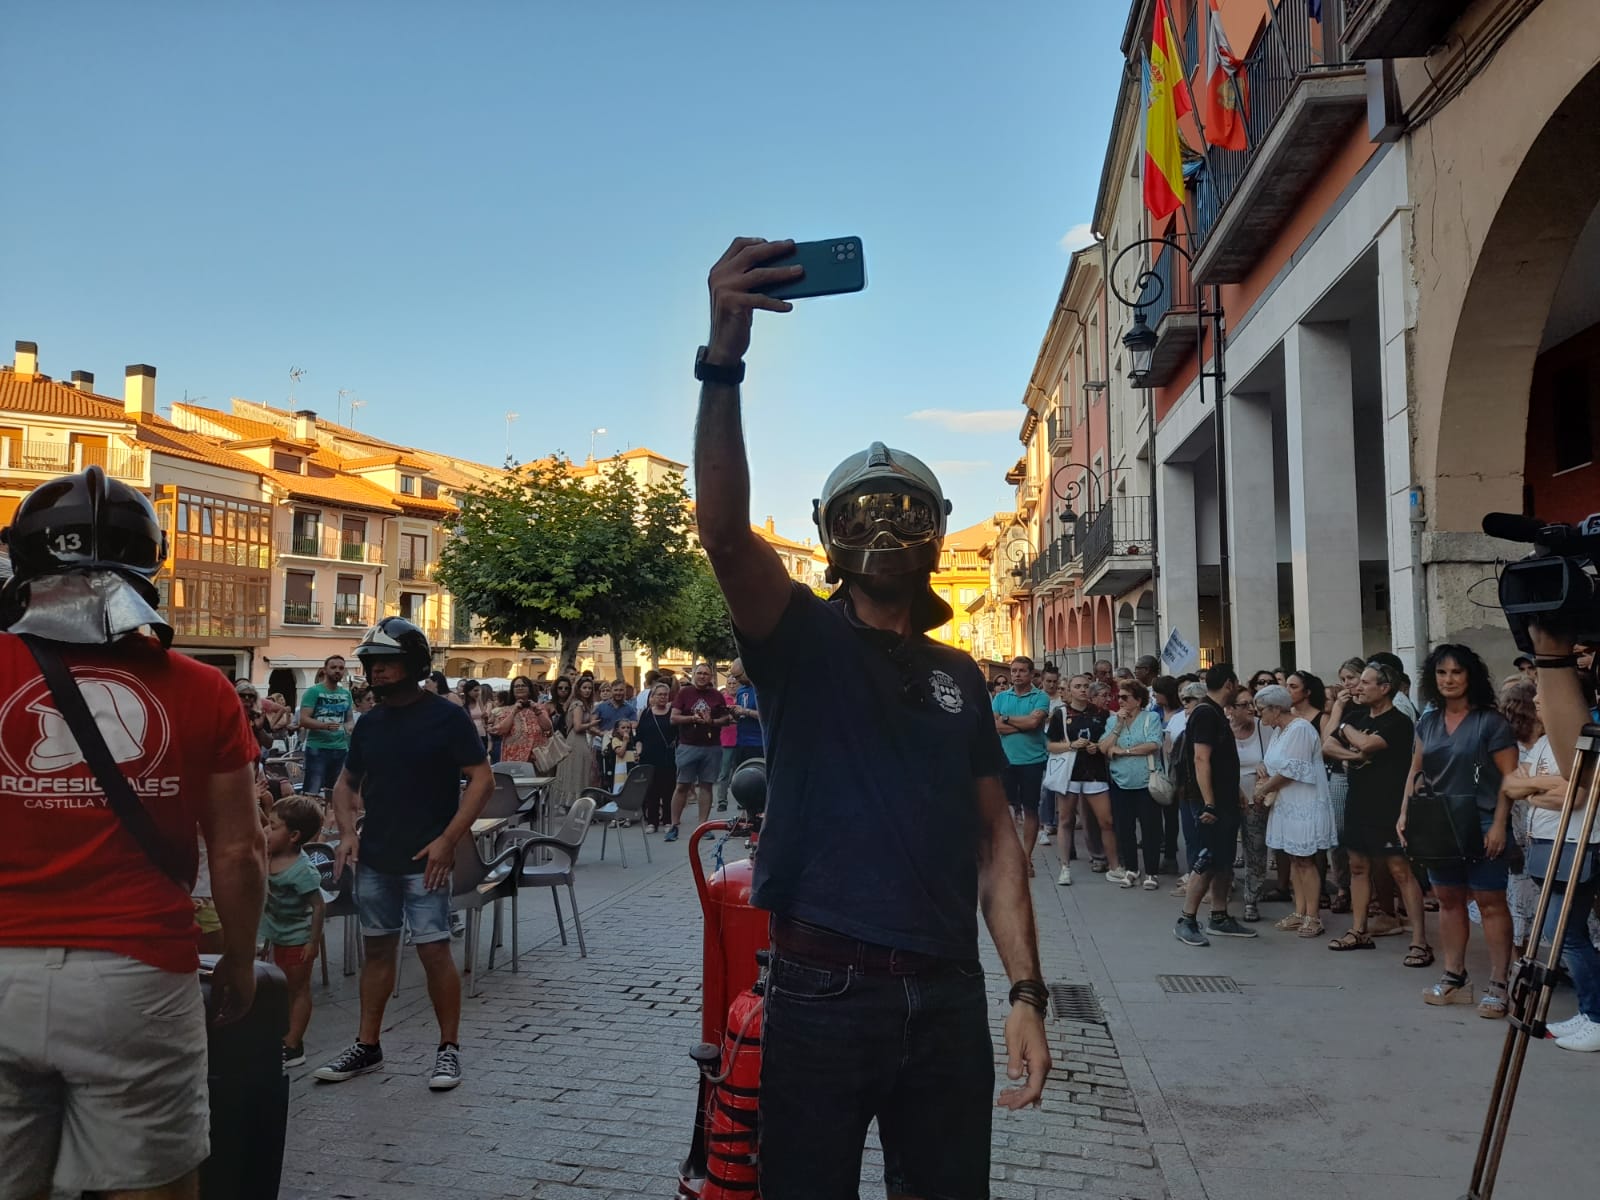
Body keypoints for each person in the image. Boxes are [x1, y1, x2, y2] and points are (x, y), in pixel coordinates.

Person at [693, 236, 1049, 1200]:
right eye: (860, 516)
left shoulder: (960, 676)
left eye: (902, 512)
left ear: (935, 528)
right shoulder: (797, 642)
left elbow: (995, 843)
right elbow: (723, 532)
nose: (883, 532)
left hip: (946, 992)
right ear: (827, 534)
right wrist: (722, 359)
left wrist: (1025, 992)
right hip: (818, 991)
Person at [0, 466, 266, 1200]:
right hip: (138, 978)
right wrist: (240, 963)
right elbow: (239, 851)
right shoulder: (202, 688)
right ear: (149, 567)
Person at [315, 617, 493, 1090]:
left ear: (412, 664)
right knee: (377, 950)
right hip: (376, 855)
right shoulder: (370, 723)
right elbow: (346, 783)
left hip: (426, 857)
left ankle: (448, 1050)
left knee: (434, 950)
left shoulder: (447, 716)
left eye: (386, 662)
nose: (376, 671)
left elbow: (482, 778)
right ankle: (367, 1045)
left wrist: (448, 840)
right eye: (372, 663)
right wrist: (348, 834)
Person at [1400, 643, 1519, 1017]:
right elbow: (1415, 770)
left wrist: (1499, 824)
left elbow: (1510, 780)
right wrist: (1405, 814)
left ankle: (1500, 983)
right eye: (1441, 673)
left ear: (1470, 676)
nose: (1449, 679)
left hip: (1483, 820)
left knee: (1491, 903)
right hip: (1438, 822)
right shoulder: (1428, 721)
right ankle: (1455, 977)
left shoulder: (1492, 722)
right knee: (1448, 900)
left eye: (1456, 672)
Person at [1506, 688, 1600, 1051]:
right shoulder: (1545, 742)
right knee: (1563, 933)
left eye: (1546, 697)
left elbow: (1576, 796)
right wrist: (1540, 788)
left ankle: (1596, 1015)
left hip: (1577, 845)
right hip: (1547, 845)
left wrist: (1532, 789)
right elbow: (1512, 785)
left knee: (1567, 934)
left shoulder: (1582, 739)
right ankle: (1588, 1010)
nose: (1538, 703)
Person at [1323, 661, 1430, 961]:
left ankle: (1420, 940)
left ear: (1384, 688)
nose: (1357, 687)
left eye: (1366, 683)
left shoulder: (1397, 721)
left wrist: (1345, 728)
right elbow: (1327, 746)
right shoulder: (1358, 714)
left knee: (1399, 870)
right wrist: (1354, 757)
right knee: (1358, 866)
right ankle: (1359, 930)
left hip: (1388, 806)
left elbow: (1369, 743)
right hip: (1358, 802)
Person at [1175, 663, 1257, 945]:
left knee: (1223, 861)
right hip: (1207, 802)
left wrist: (1235, 792)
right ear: (1230, 684)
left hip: (1224, 800)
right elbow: (1201, 759)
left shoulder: (1215, 713)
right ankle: (1186, 919)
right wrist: (1209, 803)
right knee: (1207, 860)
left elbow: (1222, 763)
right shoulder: (1206, 714)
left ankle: (1219, 917)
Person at [1253, 684, 1339, 938]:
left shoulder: (1300, 729)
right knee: (1293, 857)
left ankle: (1313, 915)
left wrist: (1262, 790)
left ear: (1276, 709)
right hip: (1287, 803)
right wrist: (1263, 770)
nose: (1260, 716)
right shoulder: (1280, 731)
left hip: (1305, 802)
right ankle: (1299, 911)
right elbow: (1275, 763)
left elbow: (1292, 770)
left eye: (1262, 710)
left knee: (1305, 860)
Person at [261, 795, 326, 1067]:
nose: (266, 831)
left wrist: (313, 942)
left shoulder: (303, 872)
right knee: (279, 988)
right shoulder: (267, 856)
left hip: (298, 938)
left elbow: (319, 906)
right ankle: (279, 1035)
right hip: (273, 934)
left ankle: (294, 1043)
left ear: (294, 836)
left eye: (274, 827)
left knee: (298, 989)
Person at [1100, 679, 1165, 890]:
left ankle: (1152, 872)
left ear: (1138, 700)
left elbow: (1153, 744)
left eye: (1125, 697)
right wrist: (1118, 726)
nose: (1120, 701)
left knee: (1150, 828)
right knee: (1124, 828)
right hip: (1121, 781)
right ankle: (1131, 868)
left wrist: (1125, 752)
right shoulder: (1112, 722)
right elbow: (1104, 747)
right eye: (1118, 697)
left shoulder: (1151, 718)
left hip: (1146, 782)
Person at [1050, 672, 1116, 881]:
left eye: (1086, 686)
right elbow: (1049, 744)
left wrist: (1099, 747)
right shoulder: (1060, 714)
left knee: (1106, 820)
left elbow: (1111, 741)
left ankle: (1114, 866)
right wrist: (1070, 745)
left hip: (1095, 773)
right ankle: (1064, 868)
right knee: (1066, 819)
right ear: (1069, 690)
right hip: (1070, 772)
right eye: (1077, 686)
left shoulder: (1102, 714)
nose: (1082, 689)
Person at [993, 654, 1051, 874]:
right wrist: (1023, 724)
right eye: (1014, 670)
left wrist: (1006, 719)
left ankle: (1027, 857)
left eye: (1021, 671)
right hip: (1006, 760)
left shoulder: (1040, 697)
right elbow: (995, 726)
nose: (1016, 675)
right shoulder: (1000, 697)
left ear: (1031, 674)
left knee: (1030, 809)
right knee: (1007, 810)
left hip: (1032, 761)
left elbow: (1035, 722)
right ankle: (1011, 855)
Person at [1498, 676, 1543, 955]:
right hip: (1522, 833)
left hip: (1533, 831)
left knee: (1528, 896)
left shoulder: (1538, 744)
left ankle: (1529, 955)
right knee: (1522, 895)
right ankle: (1522, 957)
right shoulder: (1513, 748)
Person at [665, 662, 730, 842]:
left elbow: (726, 718)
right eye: (699, 673)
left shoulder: (717, 695)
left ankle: (703, 825)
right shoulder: (684, 693)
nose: (702, 676)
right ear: (694, 674)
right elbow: (673, 718)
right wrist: (692, 718)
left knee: (706, 786)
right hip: (688, 745)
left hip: (712, 747)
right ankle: (674, 825)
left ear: (711, 677)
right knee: (682, 785)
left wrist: (712, 722)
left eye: (706, 674)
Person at [1230, 691, 1272, 922]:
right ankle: (1224, 887)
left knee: (1255, 848)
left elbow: (1275, 755)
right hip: (1229, 795)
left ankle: (1251, 899)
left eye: (1252, 704)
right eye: (1243, 704)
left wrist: (1265, 766)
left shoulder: (1263, 727)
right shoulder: (1224, 730)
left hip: (1256, 795)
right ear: (1231, 708)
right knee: (1226, 846)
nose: (1250, 709)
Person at [298, 654, 354, 799]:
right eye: (333, 667)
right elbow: (303, 720)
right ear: (325, 670)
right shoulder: (314, 691)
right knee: (312, 791)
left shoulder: (346, 694)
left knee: (336, 792)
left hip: (340, 748)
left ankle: (331, 820)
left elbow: (348, 719)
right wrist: (325, 726)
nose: (338, 671)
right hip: (318, 747)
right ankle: (310, 820)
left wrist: (349, 728)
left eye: (341, 668)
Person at [628, 681, 680, 831]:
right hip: (649, 756)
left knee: (668, 789)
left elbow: (678, 735)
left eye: (665, 694)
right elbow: (639, 736)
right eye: (660, 694)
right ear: (653, 696)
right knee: (652, 790)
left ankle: (668, 820)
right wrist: (639, 750)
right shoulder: (646, 713)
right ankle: (652, 821)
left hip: (667, 756)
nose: (663, 697)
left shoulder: (672, 713)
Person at [495, 674, 554, 764]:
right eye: (517, 686)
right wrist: (514, 712)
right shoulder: (506, 710)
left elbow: (548, 727)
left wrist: (537, 712)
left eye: (523, 685)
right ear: (513, 691)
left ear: (529, 689)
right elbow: (501, 730)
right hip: (513, 759)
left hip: (537, 758)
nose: (520, 688)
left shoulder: (539, 708)